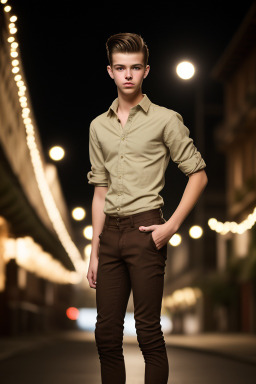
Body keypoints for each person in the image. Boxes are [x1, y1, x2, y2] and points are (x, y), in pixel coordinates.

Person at [86, 32, 208, 384]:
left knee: (148, 333)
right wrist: (94, 252)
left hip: (146, 232)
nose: (128, 75)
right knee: (106, 336)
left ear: (146, 70)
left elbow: (198, 175)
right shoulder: (98, 126)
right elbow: (99, 192)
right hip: (109, 237)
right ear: (110, 71)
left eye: (135, 67)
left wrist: (169, 227)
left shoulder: (166, 120)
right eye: (121, 68)